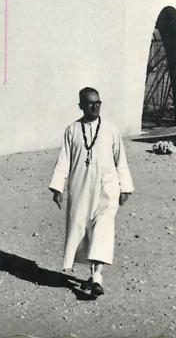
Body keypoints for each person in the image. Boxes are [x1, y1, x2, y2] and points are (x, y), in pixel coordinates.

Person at [48, 87, 134, 297]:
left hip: (107, 187)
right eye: (90, 103)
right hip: (80, 188)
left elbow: (120, 160)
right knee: (83, 231)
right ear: (81, 105)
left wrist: (125, 187)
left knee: (103, 228)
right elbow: (64, 160)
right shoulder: (72, 130)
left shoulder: (111, 129)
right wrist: (57, 187)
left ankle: (97, 278)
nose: (95, 106)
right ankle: (91, 273)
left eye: (98, 102)